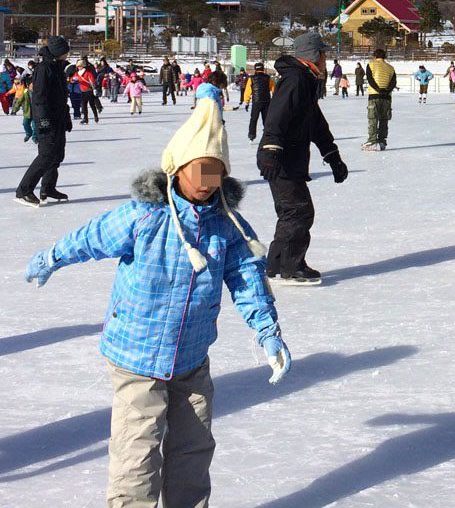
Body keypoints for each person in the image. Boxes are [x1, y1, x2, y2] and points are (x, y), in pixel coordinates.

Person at [22, 86, 288, 507]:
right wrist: (51, 257)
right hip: (136, 357)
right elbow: (91, 237)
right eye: (198, 169)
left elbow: (249, 279)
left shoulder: (229, 226)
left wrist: (267, 331)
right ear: (176, 168)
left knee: (193, 451)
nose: (205, 181)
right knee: (137, 455)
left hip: (191, 359)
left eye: (214, 171)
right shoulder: (145, 216)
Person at [256, 30, 348, 285]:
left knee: (293, 211)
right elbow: (277, 114)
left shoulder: (304, 81)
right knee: (297, 211)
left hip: (290, 157)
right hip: (282, 157)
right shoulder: (296, 80)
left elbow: (316, 125)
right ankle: (289, 266)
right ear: (316, 55)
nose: (326, 60)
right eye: (324, 55)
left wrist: (333, 157)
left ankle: (277, 264)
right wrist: (270, 151)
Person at [16, 37, 73, 207]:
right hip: (47, 120)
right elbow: (39, 98)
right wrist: (43, 120)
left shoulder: (57, 67)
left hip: (58, 118)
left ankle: (47, 188)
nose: (67, 53)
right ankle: (24, 191)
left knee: (57, 156)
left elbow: (61, 97)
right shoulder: (44, 69)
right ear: (57, 52)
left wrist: (66, 116)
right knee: (46, 156)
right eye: (65, 50)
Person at [363, 48, 397, 151]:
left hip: (374, 95)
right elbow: (393, 82)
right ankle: (382, 141)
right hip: (386, 97)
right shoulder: (391, 68)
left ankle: (372, 141)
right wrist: (386, 90)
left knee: (373, 118)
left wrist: (378, 89)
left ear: (375, 56)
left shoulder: (371, 64)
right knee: (384, 119)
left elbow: (370, 79)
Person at [244, 61, 276, 141]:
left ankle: (252, 135)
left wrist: (246, 102)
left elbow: (248, 91)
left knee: (254, 119)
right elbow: (274, 90)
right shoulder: (269, 78)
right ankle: (268, 135)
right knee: (266, 119)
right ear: (263, 69)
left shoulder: (251, 78)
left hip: (256, 102)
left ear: (255, 69)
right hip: (266, 102)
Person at [12, 75, 36, 143]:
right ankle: (29, 133)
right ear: (29, 86)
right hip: (27, 112)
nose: (32, 87)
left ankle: (35, 137)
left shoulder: (38, 93)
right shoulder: (26, 92)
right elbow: (19, 101)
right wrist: (15, 109)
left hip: (35, 113)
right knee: (25, 123)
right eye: (31, 86)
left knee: (35, 126)